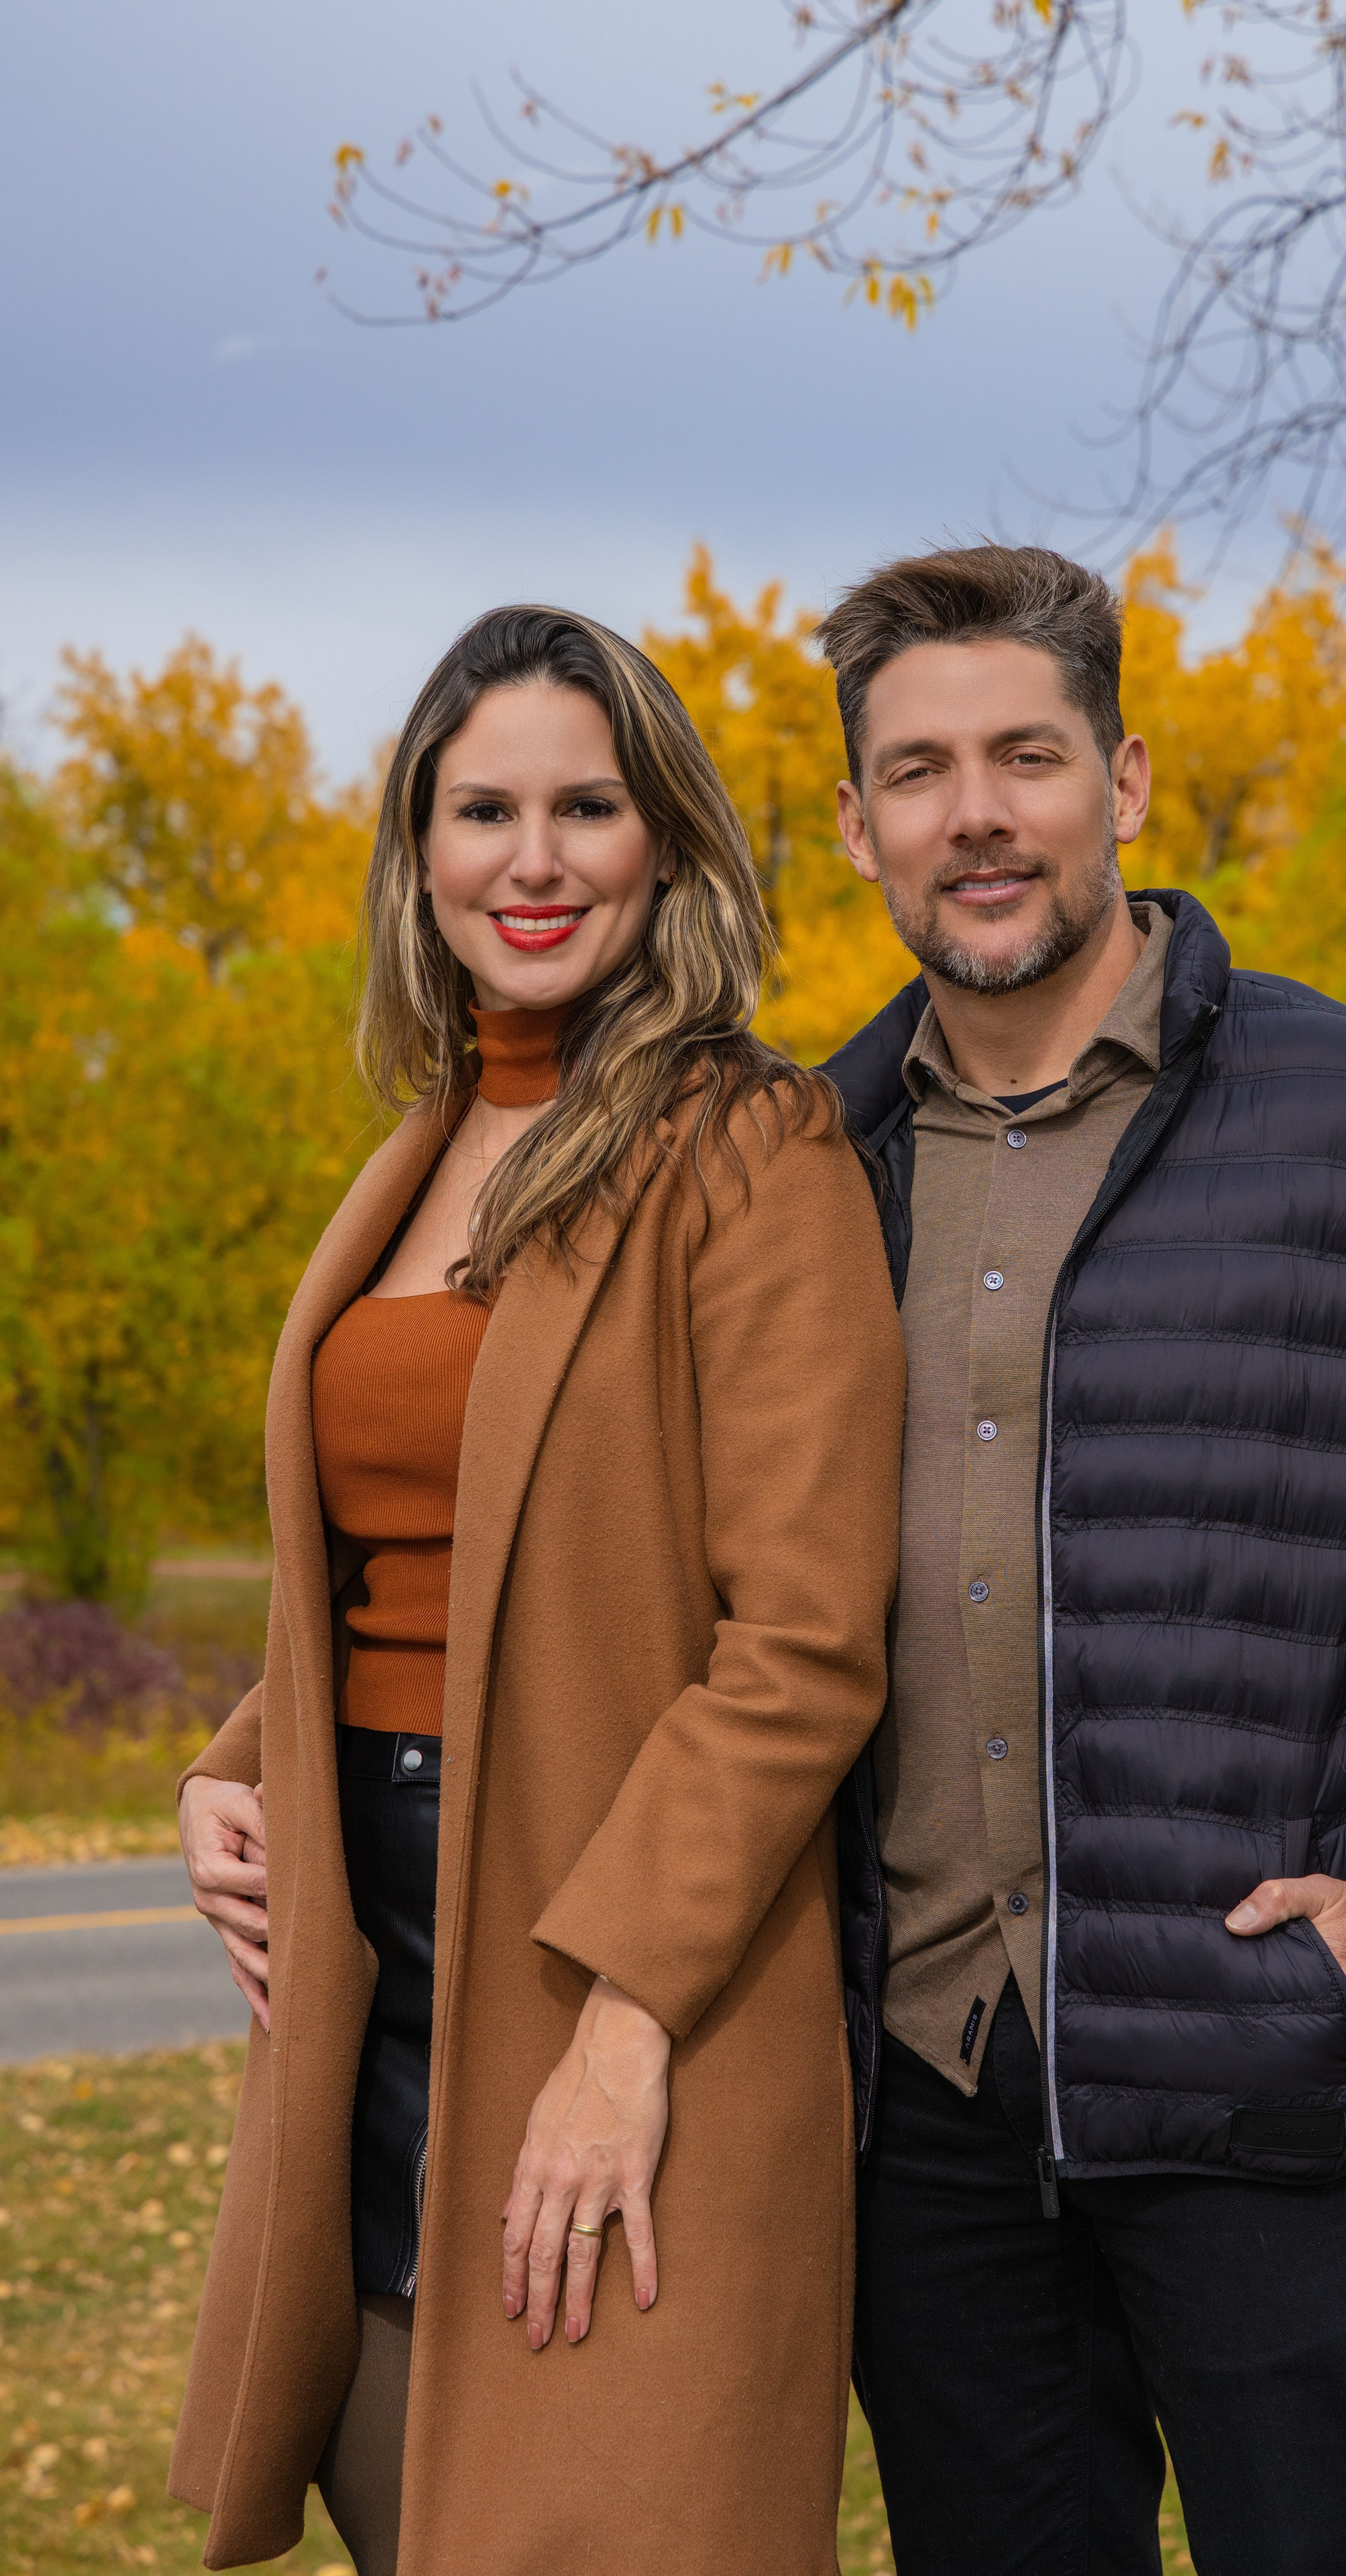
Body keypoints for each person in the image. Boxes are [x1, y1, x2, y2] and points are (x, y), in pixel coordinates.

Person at [817, 544, 1346, 2576]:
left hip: (1274, 2078)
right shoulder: (806, 1159)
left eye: (1025, 754)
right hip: (927, 2107)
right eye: (920, 771)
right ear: (857, 827)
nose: (978, 814)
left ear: (1122, 780)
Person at [170, 606, 904, 2576]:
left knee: (618, 2517)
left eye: (588, 804)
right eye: (483, 807)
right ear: (420, 853)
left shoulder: (751, 1145)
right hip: (372, 1965)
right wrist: (232, 1762)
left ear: (666, 841)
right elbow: (410, 1543)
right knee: (407, 2495)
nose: (536, 855)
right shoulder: (418, 1148)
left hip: (614, 1950)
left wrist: (629, 2019)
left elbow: (809, 1640)